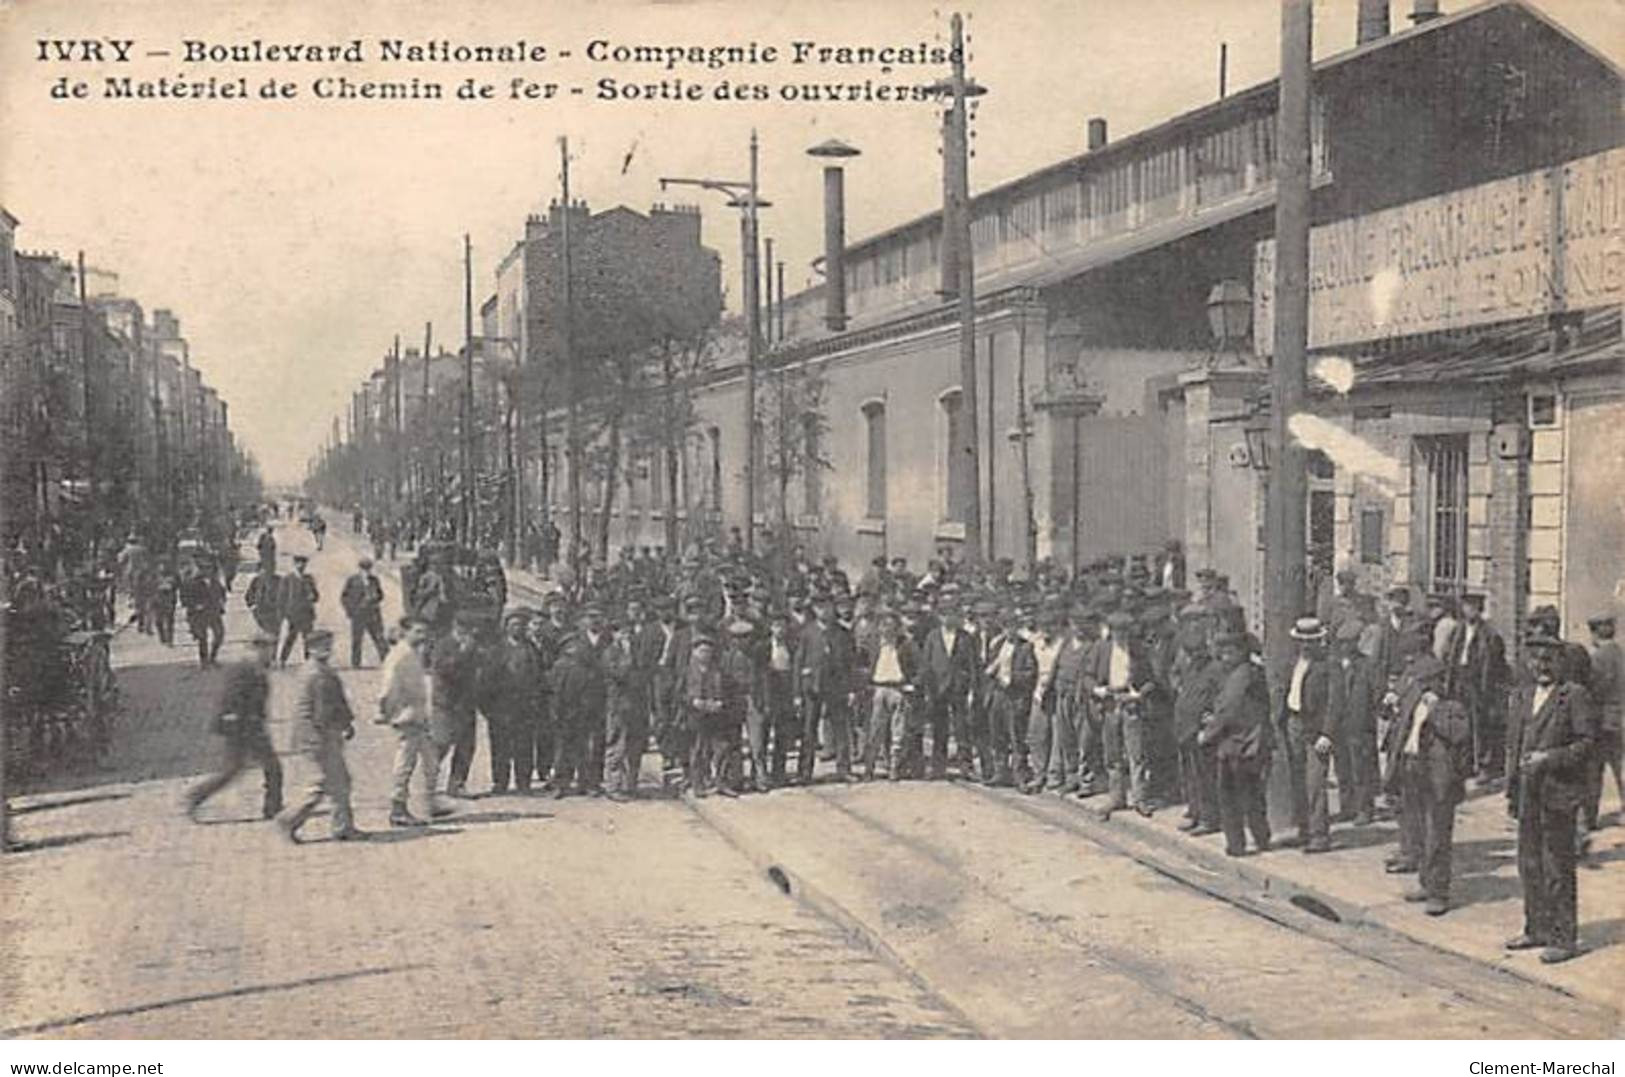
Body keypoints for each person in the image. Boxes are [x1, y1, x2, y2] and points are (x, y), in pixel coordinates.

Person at [1505, 634, 1597, 964]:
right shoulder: (1524, 694)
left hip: (1559, 793)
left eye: (1548, 660)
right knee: (1528, 864)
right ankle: (1536, 928)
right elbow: (1514, 744)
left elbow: (1587, 744)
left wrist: (1550, 758)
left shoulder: (1574, 697)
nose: (1541, 666)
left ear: (1560, 662)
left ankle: (1563, 938)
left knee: (1557, 866)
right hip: (1528, 793)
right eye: (1536, 660)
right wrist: (1512, 788)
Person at [1384, 654, 1471, 916]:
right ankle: (1425, 883)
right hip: (1412, 771)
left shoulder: (1453, 707)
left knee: (1437, 837)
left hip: (1439, 780)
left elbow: (1459, 735)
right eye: (1420, 683)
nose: (1423, 688)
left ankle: (1438, 893)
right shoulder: (1414, 702)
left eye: (1427, 683)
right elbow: (1400, 734)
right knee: (1418, 833)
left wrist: (1434, 712)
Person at [184, 631, 283, 821]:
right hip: (241, 726)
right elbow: (230, 698)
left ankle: (196, 797)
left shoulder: (255, 668)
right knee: (268, 767)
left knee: (235, 770)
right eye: (267, 649)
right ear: (256, 649)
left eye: (271, 649)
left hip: (248, 724)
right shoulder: (244, 669)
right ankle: (274, 808)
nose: (270, 653)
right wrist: (238, 719)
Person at [277, 629, 364, 843]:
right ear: (310, 648)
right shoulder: (317, 674)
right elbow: (324, 711)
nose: (327, 649)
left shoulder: (313, 669)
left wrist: (345, 723)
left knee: (339, 782)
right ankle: (290, 819)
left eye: (328, 644)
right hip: (319, 736)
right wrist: (340, 727)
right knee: (324, 783)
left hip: (314, 734)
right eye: (321, 645)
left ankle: (342, 826)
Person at [1200, 631, 1271, 857]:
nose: (1224, 657)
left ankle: (1236, 844)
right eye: (1223, 652)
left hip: (1238, 744)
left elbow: (1229, 710)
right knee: (1251, 794)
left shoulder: (1241, 676)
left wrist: (1208, 732)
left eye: (1230, 652)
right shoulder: (1249, 673)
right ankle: (1261, 837)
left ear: (1241, 652)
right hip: (1246, 742)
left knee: (1231, 796)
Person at [377, 616, 448, 826]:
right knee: (405, 764)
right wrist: (388, 714)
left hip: (419, 717)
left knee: (431, 762)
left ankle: (431, 803)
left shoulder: (414, 653)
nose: (422, 636)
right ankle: (398, 809)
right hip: (407, 718)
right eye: (418, 631)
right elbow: (387, 690)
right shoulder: (399, 656)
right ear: (405, 632)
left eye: (424, 632)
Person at [1280, 617, 1335, 853]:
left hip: (1315, 728)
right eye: (1301, 641)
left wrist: (1328, 733)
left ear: (1319, 641)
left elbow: (1336, 702)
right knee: (1297, 780)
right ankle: (1304, 829)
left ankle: (1319, 835)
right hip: (1294, 722)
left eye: (1310, 641)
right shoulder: (1294, 662)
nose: (1305, 646)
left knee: (1315, 783)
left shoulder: (1328, 666)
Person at [1445, 591, 1510, 785]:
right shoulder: (1458, 630)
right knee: (1462, 724)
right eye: (1465, 606)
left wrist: (1487, 687)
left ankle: (1485, 766)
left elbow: (1495, 664)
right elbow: (1450, 655)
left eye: (1472, 607)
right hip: (1460, 680)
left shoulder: (1490, 634)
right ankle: (1465, 764)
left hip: (1480, 683)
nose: (1468, 610)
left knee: (1482, 725)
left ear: (1479, 610)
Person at [795, 594, 856, 784]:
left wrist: (851, 689)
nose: (824, 611)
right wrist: (797, 692)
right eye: (819, 607)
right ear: (814, 610)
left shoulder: (843, 633)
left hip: (836, 686)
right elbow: (798, 662)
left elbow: (850, 664)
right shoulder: (806, 633)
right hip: (812, 687)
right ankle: (804, 772)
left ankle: (844, 768)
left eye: (827, 606)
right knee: (808, 730)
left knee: (840, 728)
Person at [484, 610, 544, 796]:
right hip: (502, 707)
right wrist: (489, 707)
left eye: (520, 625)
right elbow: (487, 680)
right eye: (513, 625)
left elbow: (538, 675)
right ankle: (500, 782)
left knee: (524, 746)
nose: (517, 628)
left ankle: (523, 782)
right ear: (506, 628)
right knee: (500, 746)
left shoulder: (530, 648)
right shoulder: (497, 650)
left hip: (525, 705)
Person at [922, 599, 978, 781]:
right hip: (938, 688)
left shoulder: (965, 637)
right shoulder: (932, 636)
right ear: (939, 616)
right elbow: (927, 664)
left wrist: (971, 688)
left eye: (952, 614)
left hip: (958, 687)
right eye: (944, 614)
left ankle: (965, 765)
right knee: (940, 728)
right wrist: (928, 688)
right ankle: (938, 766)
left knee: (962, 727)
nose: (948, 618)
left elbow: (972, 665)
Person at [862, 609, 919, 782]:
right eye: (884, 626)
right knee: (874, 731)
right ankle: (869, 768)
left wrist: (913, 684)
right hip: (878, 690)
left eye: (892, 627)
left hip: (898, 689)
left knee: (898, 731)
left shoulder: (907, 645)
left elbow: (920, 667)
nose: (887, 630)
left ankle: (895, 767)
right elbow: (862, 666)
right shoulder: (873, 645)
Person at [432, 611, 483, 799]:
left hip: (466, 703)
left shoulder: (473, 645)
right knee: (441, 744)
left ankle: (457, 784)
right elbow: (444, 670)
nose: (468, 632)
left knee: (466, 745)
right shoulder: (443, 645)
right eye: (464, 628)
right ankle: (427, 782)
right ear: (456, 626)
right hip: (446, 704)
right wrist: (463, 653)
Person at [1582, 615, 1623, 832]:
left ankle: (1589, 818)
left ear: (1595, 633)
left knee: (1593, 770)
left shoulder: (1598, 658)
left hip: (1601, 721)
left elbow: (1594, 690)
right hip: (1620, 720)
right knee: (1620, 769)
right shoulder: (1620, 654)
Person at [340, 557, 387, 668]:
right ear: (360, 569)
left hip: (373, 614)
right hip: (358, 614)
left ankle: (386, 660)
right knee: (357, 639)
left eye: (368, 569)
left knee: (378, 637)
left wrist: (376, 597)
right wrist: (350, 610)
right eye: (364, 569)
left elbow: (381, 595)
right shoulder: (352, 580)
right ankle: (356, 663)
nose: (366, 571)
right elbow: (344, 597)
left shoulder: (374, 580)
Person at [178, 561, 226, 668]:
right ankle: (204, 661)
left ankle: (213, 657)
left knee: (219, 635)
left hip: (214, 612)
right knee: (202, 637)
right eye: (205, 568)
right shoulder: (191, 583)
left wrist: (221, 604)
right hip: (198, 614)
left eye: (210, 568)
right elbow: (184, 598)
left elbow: (222, 594)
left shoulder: (215, 582)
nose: (208, 571)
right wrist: (195, 605)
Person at [279, 554, 319, 666]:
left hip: (307, 614)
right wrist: (284, 614)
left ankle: (309, 661)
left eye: (303, 564)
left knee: (309, 639)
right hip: (293, 614)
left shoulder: (309, 579)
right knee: (290, 638)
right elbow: (282, 598)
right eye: (298, 563)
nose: (301, 566)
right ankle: (282, 660)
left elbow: (316, 596)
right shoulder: (288, 579)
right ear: (294, 565)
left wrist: (313, 595)